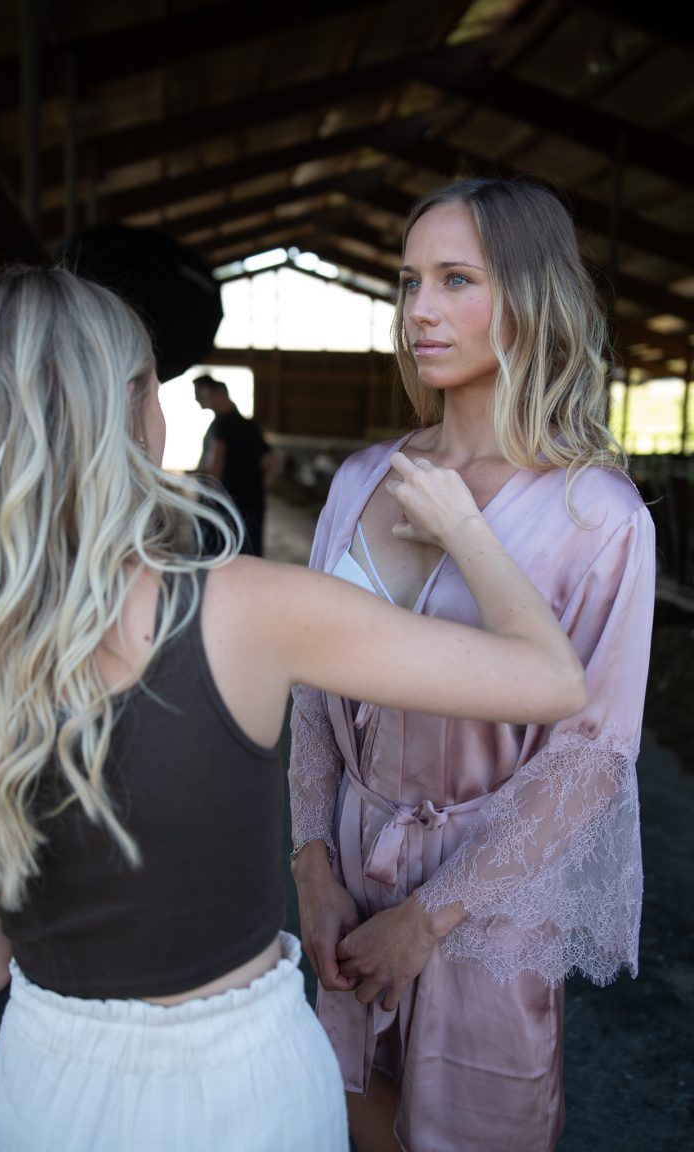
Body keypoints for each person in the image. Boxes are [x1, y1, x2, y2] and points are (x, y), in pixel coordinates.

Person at [0, 264, 586, 1152]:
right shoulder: (247, 607)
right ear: (134, 409)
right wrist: (465, 527)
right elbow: (552, 680)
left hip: (48, 1088)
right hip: (243, 1088)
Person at [288, 176, 656, 1152]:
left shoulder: (599, 515)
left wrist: (428, 918)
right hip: (354, 888)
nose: (420, 310)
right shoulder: (362, 480)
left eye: (457, 280)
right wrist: (315, 871)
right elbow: (314, 700)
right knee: (351, 1122)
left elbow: (591, 759)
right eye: (410, 282)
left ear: (531, 298)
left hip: (487, 908)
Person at [193, 372, 279, 555]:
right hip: (251, 504)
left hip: (226, 502)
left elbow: (216, 460)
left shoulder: (222, 424)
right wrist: (260, 490)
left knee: (222, 555)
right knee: (249, 553)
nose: (198, 400)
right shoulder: (250, 425)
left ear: (217, 393)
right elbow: (273, 461)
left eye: (201, 395)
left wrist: (210, 495)